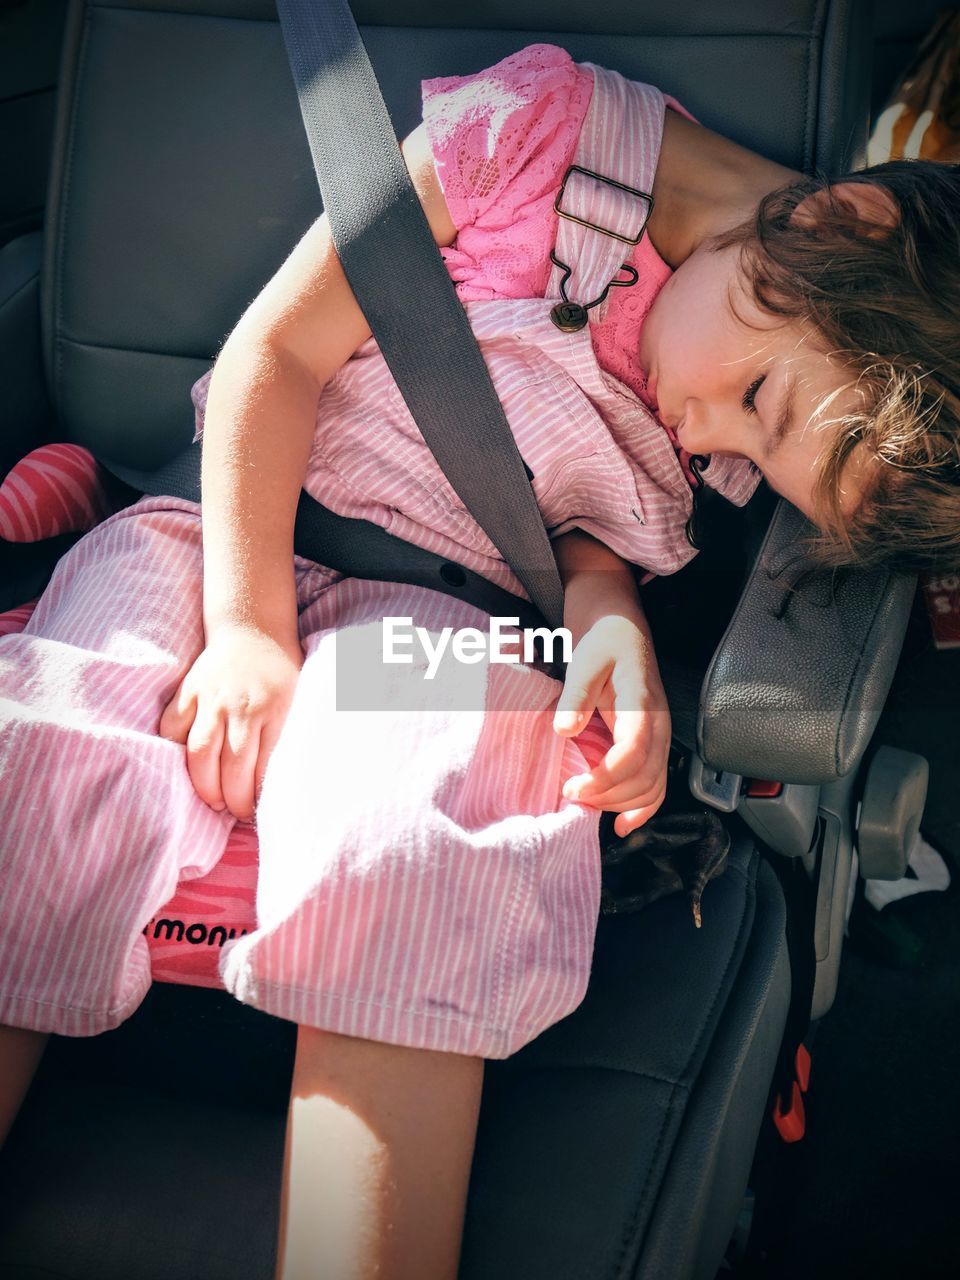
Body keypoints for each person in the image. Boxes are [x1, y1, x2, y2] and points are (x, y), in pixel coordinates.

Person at [1, 42, 958, 1280]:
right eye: (759, 403)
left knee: (425, 822)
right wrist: (245, 627)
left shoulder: (726, 344)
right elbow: (274, 356)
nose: (708, 436)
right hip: (226, 535)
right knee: (45, 761)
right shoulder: (531, 130)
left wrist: (613, 633)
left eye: (750, 455)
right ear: (839, 217)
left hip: (440, 620)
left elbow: (577, 535)